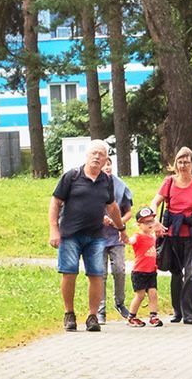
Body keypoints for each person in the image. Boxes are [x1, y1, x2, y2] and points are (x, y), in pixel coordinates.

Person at [48, 141, 125, 332]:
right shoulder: (72, 176)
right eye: (94, 153)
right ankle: (69, 314)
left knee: (96, 275)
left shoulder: (106, 181)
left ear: (106, 159)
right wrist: (54, 229)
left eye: (101, 154)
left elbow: (112, 206)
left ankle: (92, 316)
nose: (97, 157)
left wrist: (121, 227)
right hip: (70, 235)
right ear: (87, 155)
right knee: (69, 273)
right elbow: (56, 202)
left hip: (96, 236)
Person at [153, 146, 192, 324]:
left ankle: (189, 314)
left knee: (191, 272)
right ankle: (177, 311)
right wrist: (154, 220)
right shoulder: (168, 182)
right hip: (172, 234)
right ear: (175, 164)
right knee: (176, 273)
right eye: (180, 161)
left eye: (186, 161)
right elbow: (155, 202)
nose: (183, 165)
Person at [98, 152, 134, 323]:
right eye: (104, 164)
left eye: (109, 164)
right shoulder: (90, 185)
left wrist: (118, 222)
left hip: (116, 236)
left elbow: (128, 212)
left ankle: (120, 303)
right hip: (97, 237)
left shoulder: (120, 186)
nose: (107, 167)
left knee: (119, 270)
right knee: (100, 273)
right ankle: (101, 309)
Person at [126, 205, 164, 327]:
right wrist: (124, 237)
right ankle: (131, 316)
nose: (150, 224)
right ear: (139, 224)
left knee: (153, 293)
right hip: (139, 271)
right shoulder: (138, 236)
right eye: (146, 222)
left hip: (151, 271)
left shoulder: (152, 236)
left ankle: (153, 316)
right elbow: (130, 241)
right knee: (140, 295)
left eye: (151, 221)